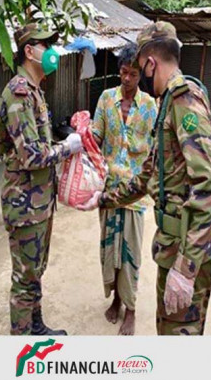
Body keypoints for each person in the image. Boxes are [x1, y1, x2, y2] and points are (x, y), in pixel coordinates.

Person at [79, 22, 211, 335]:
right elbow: (149, 173)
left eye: (140, 68)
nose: (139, 77)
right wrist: (102, 199)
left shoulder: (184, 100)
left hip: (187, 251)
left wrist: (186, 269)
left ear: (150, 62)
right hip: (173, 245)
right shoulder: (168, 102)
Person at [0, 23, 83, 335]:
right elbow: (31, 155)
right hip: (25, 204)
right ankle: (21, 344)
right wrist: (66, 147)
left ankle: (35, 327)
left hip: (39, 202)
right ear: (29, 51)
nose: (52, 52)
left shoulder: (35, 93)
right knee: (24, 279)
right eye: (45, 45)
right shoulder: (18, 93)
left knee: (35, 271)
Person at [90, 44, 157, 335]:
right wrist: (82, 135)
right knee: (110, 251)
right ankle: (116, 299)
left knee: (130, 253)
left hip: (134, 193)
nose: (127, 79)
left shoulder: (150, 106)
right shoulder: (106, 100)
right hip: (108, 190)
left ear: (140, 75)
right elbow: (95, 137)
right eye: (123, 72)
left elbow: (156, 149)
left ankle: (131, 308)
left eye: (132, 74)